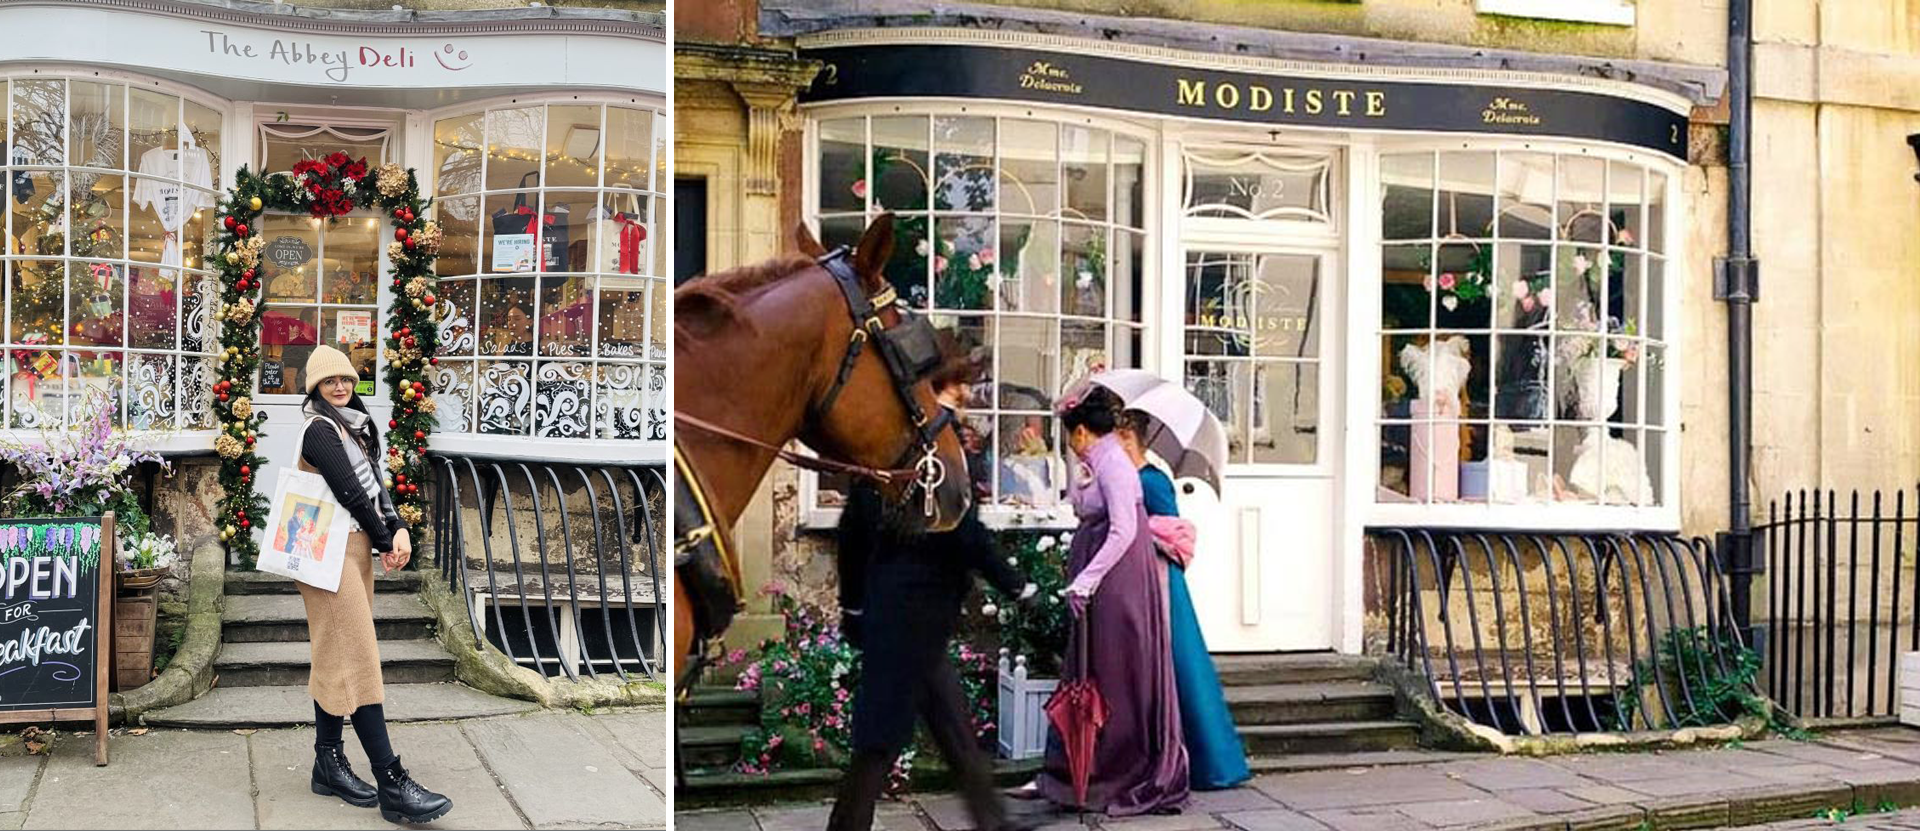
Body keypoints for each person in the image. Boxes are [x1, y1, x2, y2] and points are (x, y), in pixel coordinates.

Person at [827, 360, 1039, 831]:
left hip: (904, 611)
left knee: (951, 728)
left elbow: (855, 531)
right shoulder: (930, 449)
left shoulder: (892, 445)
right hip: (911, 614)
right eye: (958, 385)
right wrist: (1016, 584)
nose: (965, 394)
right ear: (935, 389)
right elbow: (963, 534)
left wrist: (855, 606)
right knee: (880, 740)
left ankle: (993, 822)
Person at [295, 345, 453, 825]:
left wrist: (396, 526)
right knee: (358, 656)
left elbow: (375, 487)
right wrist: (387, 538)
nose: (340, 386)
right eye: (329, 382)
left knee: (334, 654)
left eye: (346, 378)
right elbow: (349, 489)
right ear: (316, 389)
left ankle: (328, 760)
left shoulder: (354, 428)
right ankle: (392, 781)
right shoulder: (319, 430)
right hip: (327, 554)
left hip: (352, 551)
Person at [1038, 385, 1189, 816]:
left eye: (1070, 436)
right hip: (1106, 578)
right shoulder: (1097, 460)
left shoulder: (1116, 466)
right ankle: (1089, 771)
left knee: (1119, 668)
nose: (1069, 443)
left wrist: (1087, 579)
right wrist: (1077, 465)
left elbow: (1123, 529)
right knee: (1098, 668)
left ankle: (1125, 768)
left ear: (1081, 430)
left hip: (1120, 581)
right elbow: (1081, 507)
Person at [1117, 412, 1251, 790]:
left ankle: (1211, 762)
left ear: (1129, 438)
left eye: (1119, 437)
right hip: (1140, 576)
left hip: (1160, 578)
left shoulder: (1153, 480)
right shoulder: (1129, 478)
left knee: (1181, 665)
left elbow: (1173, 531)